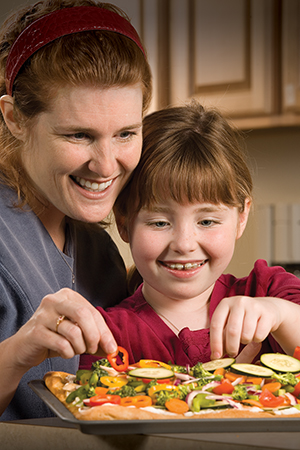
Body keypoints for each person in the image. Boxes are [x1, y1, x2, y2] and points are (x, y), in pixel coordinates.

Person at [0, 0, 152, 420]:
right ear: (14, 118)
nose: (106, 165)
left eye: (125, 133)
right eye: (79, 135)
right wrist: (16, 353)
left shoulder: (100, 250)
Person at [80, 101, 300, 372]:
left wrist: (282, 316)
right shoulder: (106, 335)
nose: (184, 244)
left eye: (207, 221)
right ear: (124, 223)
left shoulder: (270, 291)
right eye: (160, 222)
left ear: (241, 217)